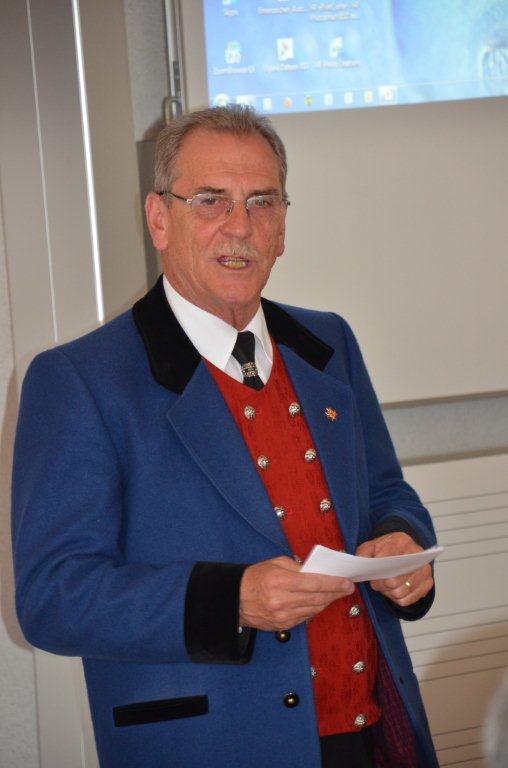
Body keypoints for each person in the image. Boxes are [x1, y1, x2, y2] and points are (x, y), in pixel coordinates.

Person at [12, 106, 438, 768]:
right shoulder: (79, 380)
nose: (240, 227)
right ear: (159, 218)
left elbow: (386, 491)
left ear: (283, 226)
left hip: (374, 729)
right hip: (214, 744)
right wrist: (231, 600)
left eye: (261, 202)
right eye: (210, 200)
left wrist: (401, 541)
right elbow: (53, 598)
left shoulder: (328, 342)